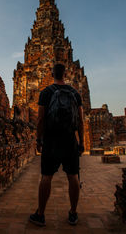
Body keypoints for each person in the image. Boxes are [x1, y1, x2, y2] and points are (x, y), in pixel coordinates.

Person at [29, 63, 84, 226]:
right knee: (73, 176)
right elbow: (80, 120)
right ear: (65, 74)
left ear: (52, 74)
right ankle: (73, 213)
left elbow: (40, 119)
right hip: (70, 139)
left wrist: (39, 140)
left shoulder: (46, 92)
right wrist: (81, 142)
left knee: (46, 177)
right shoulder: (75, 93)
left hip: (51, 140)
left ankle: (40, 214)